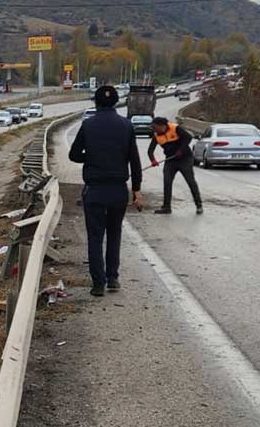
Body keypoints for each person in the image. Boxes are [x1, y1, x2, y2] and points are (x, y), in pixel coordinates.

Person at [68, 85, 143, 297]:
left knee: (95, 237)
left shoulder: (88, 125)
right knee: (114, 234)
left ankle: (98, 283)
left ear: (96, 103)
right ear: (117, 102)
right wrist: (136, 190)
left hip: (95, 190)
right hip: (119, 190)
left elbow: (74, 155)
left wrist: (91, 157)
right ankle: (113, 278)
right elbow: (135, 162)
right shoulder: (126, 125)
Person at [147, 117, 203, 215]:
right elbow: (150, 151)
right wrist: (153, 160)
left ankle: (199, 205)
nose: (154, 129)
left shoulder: (175, 128)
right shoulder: (156, 135)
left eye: (155, 127)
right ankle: (166, 207)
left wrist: (180, 150)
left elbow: (188, 138)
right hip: (170, 160)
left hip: (185, 159)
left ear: (162, 126)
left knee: (190, 181)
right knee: (167, 182)